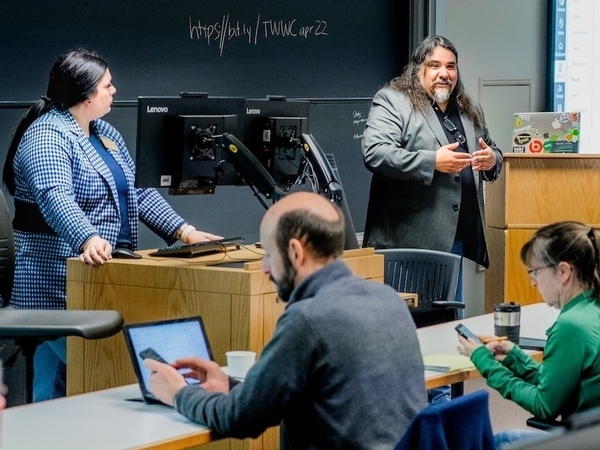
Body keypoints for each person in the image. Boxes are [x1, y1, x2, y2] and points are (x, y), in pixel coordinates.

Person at [1, 48, 221, 402]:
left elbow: (137, 192)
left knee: (76, 382)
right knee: (65, 387)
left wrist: (184, 231)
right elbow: (55, 196)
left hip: (101, 276)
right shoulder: (46, 136)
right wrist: (87, 237)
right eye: (107, 85)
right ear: (86, 94)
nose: (114, 90)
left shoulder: (103, 133)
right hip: (57, 282)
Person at [145, 191, 428, 449]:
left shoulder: (307, 319)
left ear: (295, 252)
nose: (266, 268)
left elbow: (241, 419)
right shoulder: (387, 299)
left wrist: (179, 394)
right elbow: (294, 395)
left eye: (269, 254)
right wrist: (230, 387)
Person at [361, 35, 503, 311]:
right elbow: (375, 153)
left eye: (451, 67)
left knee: (449, 321)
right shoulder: (393, 101)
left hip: (455, 239)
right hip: (407, 242)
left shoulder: (468, 109)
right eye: (435, 65)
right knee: (405, 323)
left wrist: (492, 160)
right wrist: (432, 161)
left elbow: (493, 148)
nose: (444, 74)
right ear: (418, 69)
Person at [458, 221, 600, 449]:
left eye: (535, 272)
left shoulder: (571, 326)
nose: (533, 282)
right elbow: (557, 382)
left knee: (499, 442)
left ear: (563, 271)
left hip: (583, 441)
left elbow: (545, 405)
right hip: (591, 435)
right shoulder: (591, 308)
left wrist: (483, 361)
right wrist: (515, 357)